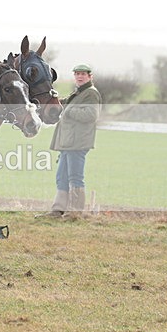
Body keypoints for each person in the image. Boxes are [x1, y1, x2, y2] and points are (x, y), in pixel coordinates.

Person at [45, 64, 101, 218]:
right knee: (61, 177)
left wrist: (68, 111)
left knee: (75, 177)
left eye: (83, 74)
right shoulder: (79, 92)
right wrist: (52, 101)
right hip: (68, 142)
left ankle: (75, 212)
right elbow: (65, 103)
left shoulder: (91, 93)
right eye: (77, 74)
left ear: (90, 76)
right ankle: (58, 210)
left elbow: (91, 115)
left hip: (78, 142)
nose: (79, 76)